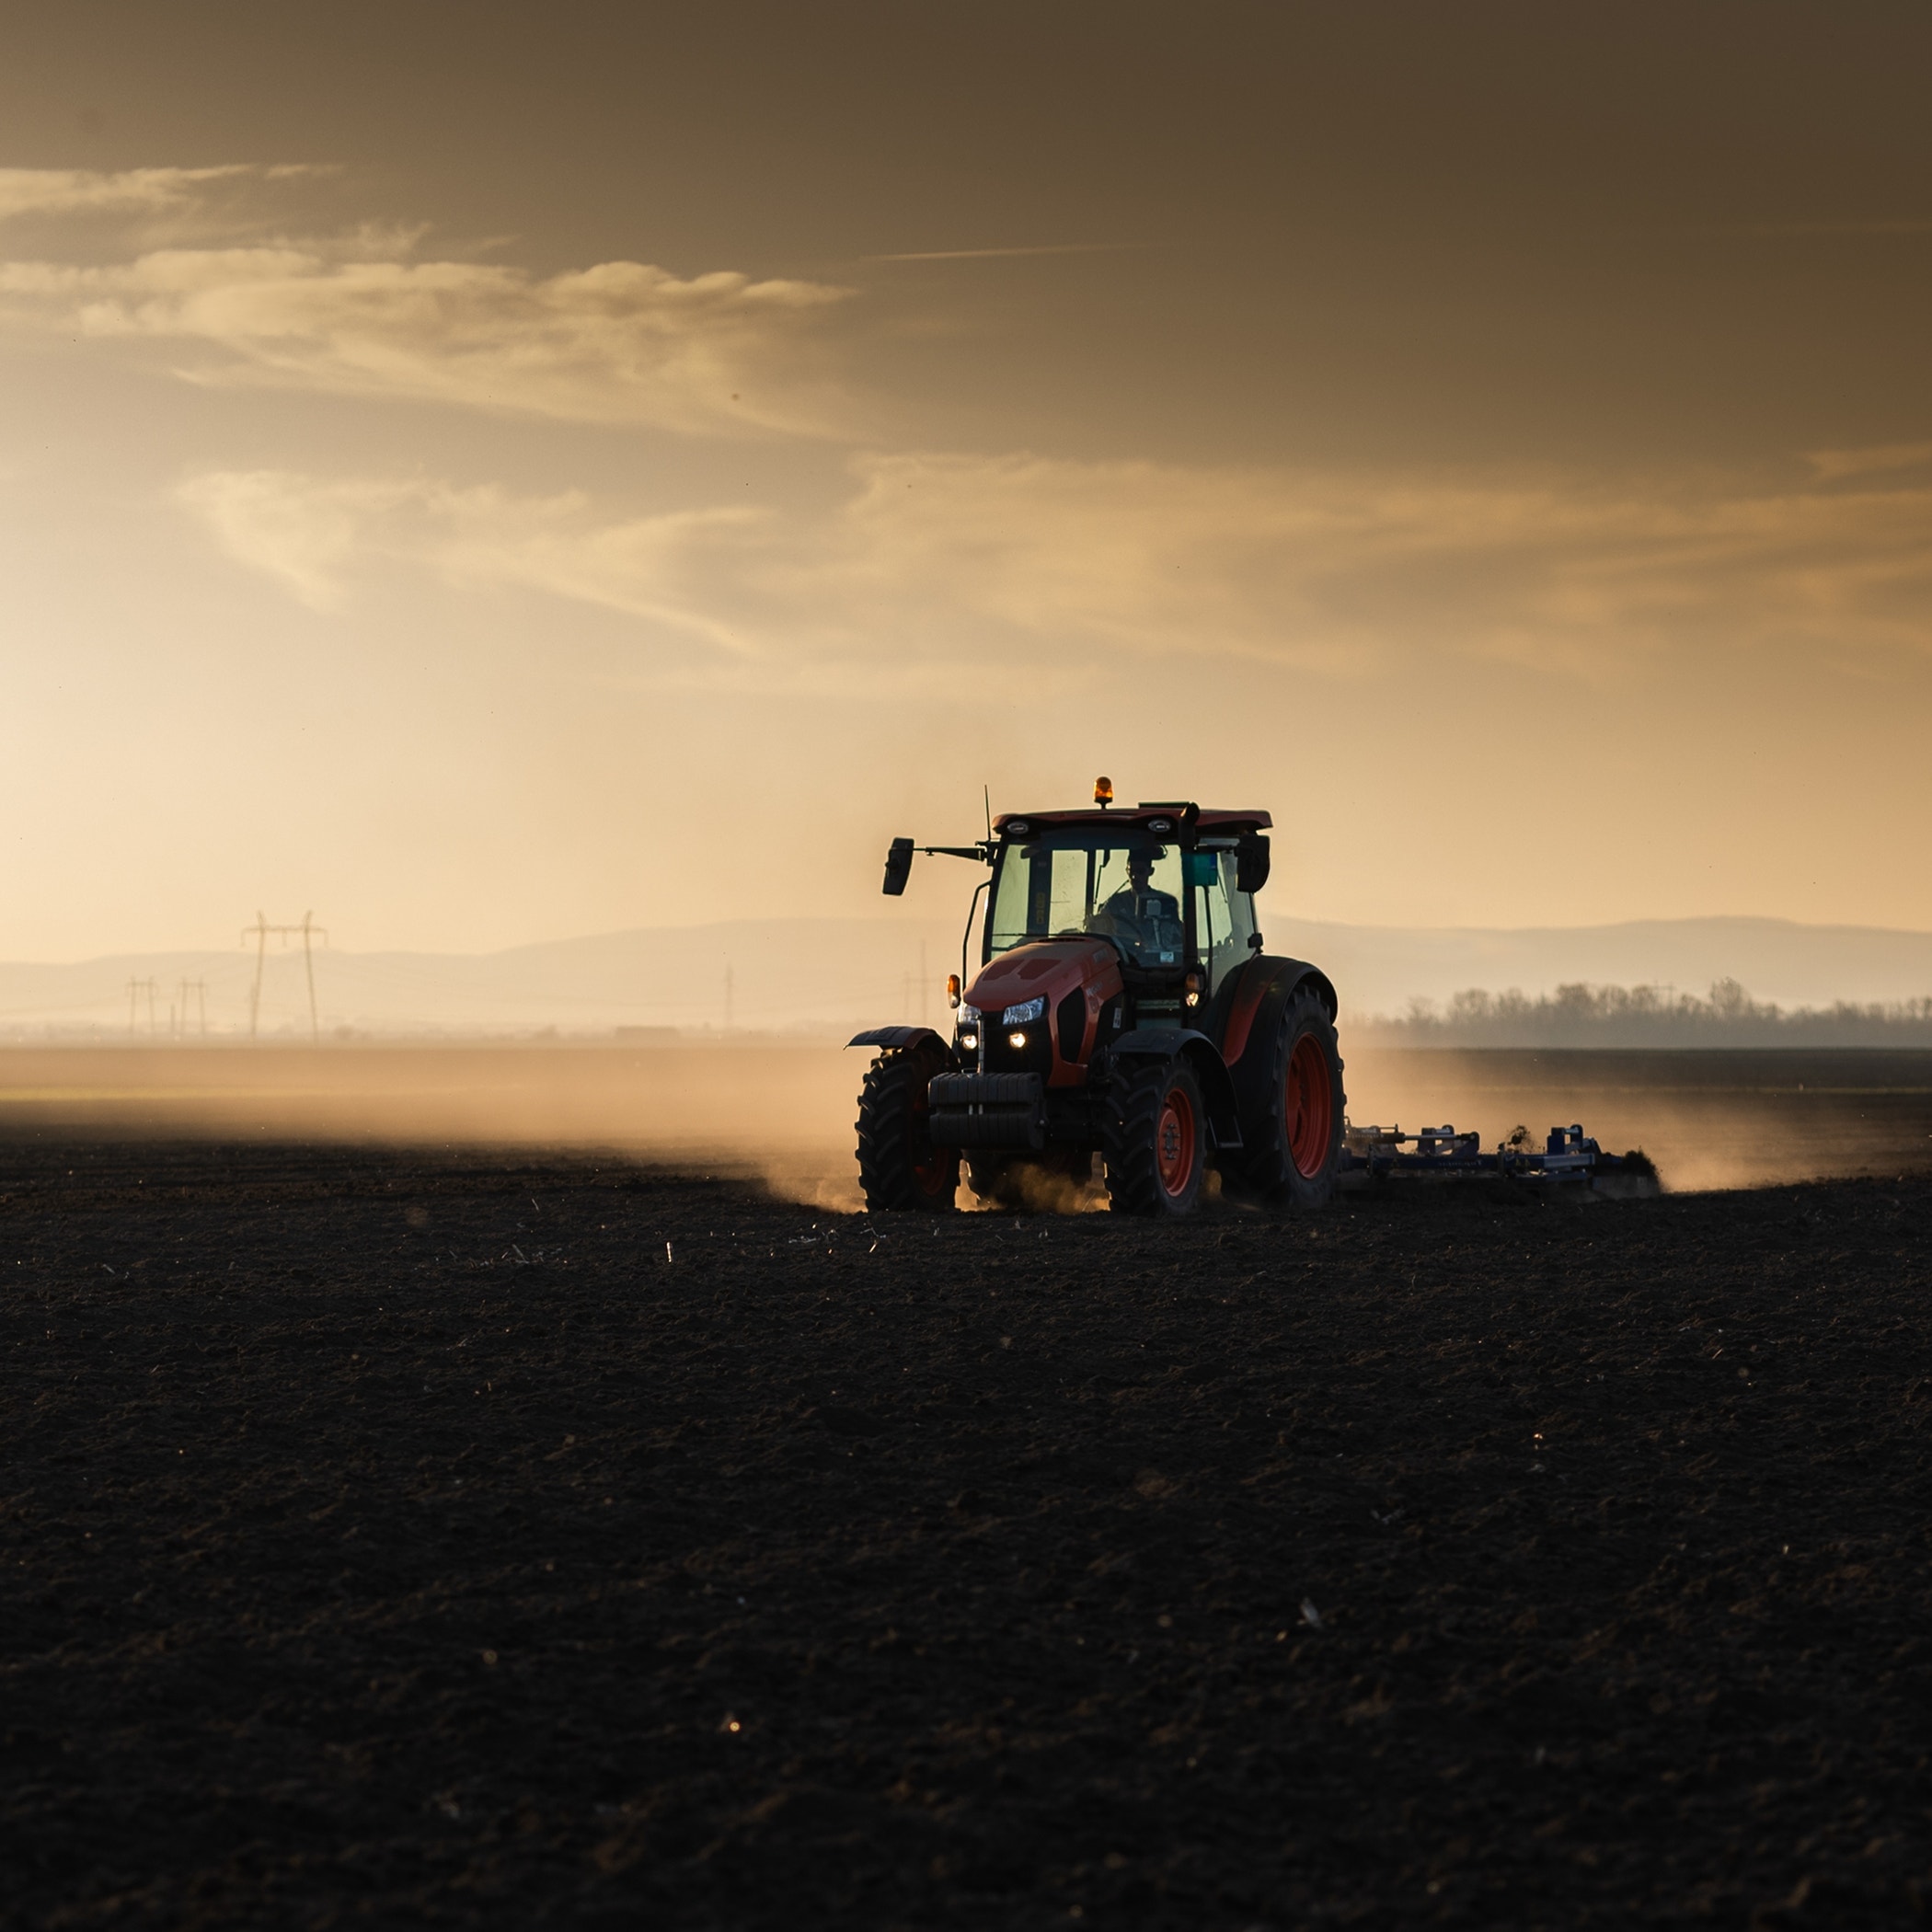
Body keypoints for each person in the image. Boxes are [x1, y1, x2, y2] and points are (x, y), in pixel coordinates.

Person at [1088, 848, 1183, 964]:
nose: (1134, 876)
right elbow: (1098, 929)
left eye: (1140, 871)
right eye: (1131, 871)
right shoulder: (1115, 903)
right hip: (1124, 963)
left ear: (1151, 871)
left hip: (1158, 965)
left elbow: (1178, 937)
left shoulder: (1165, 903)